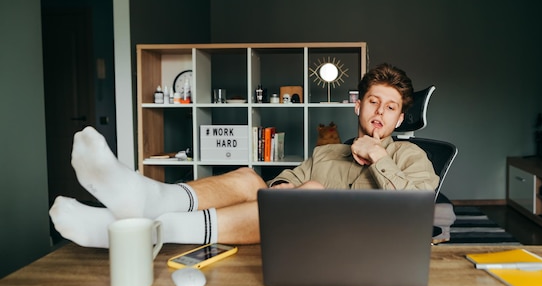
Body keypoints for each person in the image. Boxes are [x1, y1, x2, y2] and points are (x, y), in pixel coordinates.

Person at [50, 63, 439, 248]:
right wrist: (287, 189)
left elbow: (418, 208)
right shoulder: (328, 152)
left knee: (314, 190)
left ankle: (148, 228)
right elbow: (285, 180)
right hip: (294, 228)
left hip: (349, 244)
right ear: (358, 107)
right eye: (374, 102)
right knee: (252, 179)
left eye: (390, 108)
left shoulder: (410, 156)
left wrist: (378, 157)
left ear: (401, 118)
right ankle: (148, 201)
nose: (379, 113)